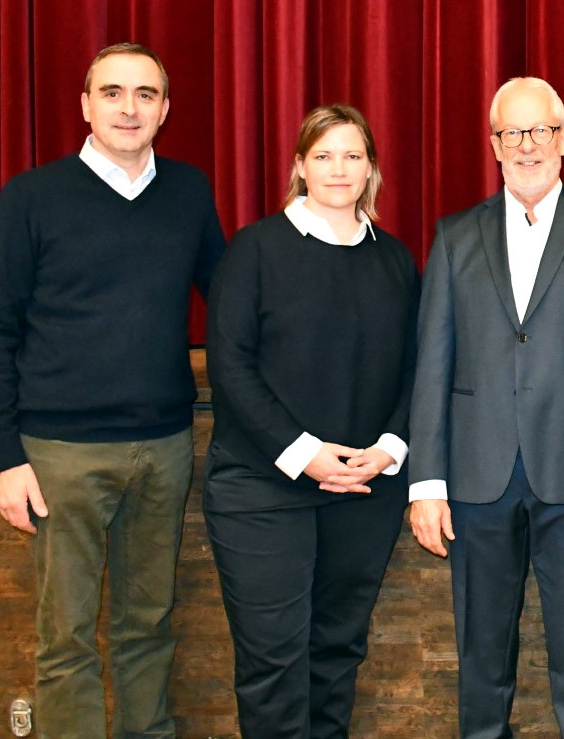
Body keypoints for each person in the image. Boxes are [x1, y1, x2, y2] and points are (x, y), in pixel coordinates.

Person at [0, 43, 225, 737]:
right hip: (58, 454)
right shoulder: (32, 196)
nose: (129, 107)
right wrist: (3, 457)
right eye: (112, 92)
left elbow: (230, 301)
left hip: (165, 445)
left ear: (165, 109)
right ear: (85, 105)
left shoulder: (189, 191)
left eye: (145, 94)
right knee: (66, 638)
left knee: (149, 623)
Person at [407, 76, 564, 738]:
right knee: (482, 652)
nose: (527, 145)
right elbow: (431, 364)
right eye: (512, 133)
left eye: (540, 130)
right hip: (476, 476)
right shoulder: (455, 237)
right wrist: (426, 482)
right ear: (493, 144)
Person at [203, 104, 417, 737]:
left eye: (353, 155)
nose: (338, 168)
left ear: (372, 168)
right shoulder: (256, 249)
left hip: (363, 491)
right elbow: (230, 366)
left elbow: (418, 366)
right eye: (323, 155)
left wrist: (389, 447)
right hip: (263, 492)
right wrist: (303, 452)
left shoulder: (396, 261)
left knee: (336, 654)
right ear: (299, 166)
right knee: (273, 663)